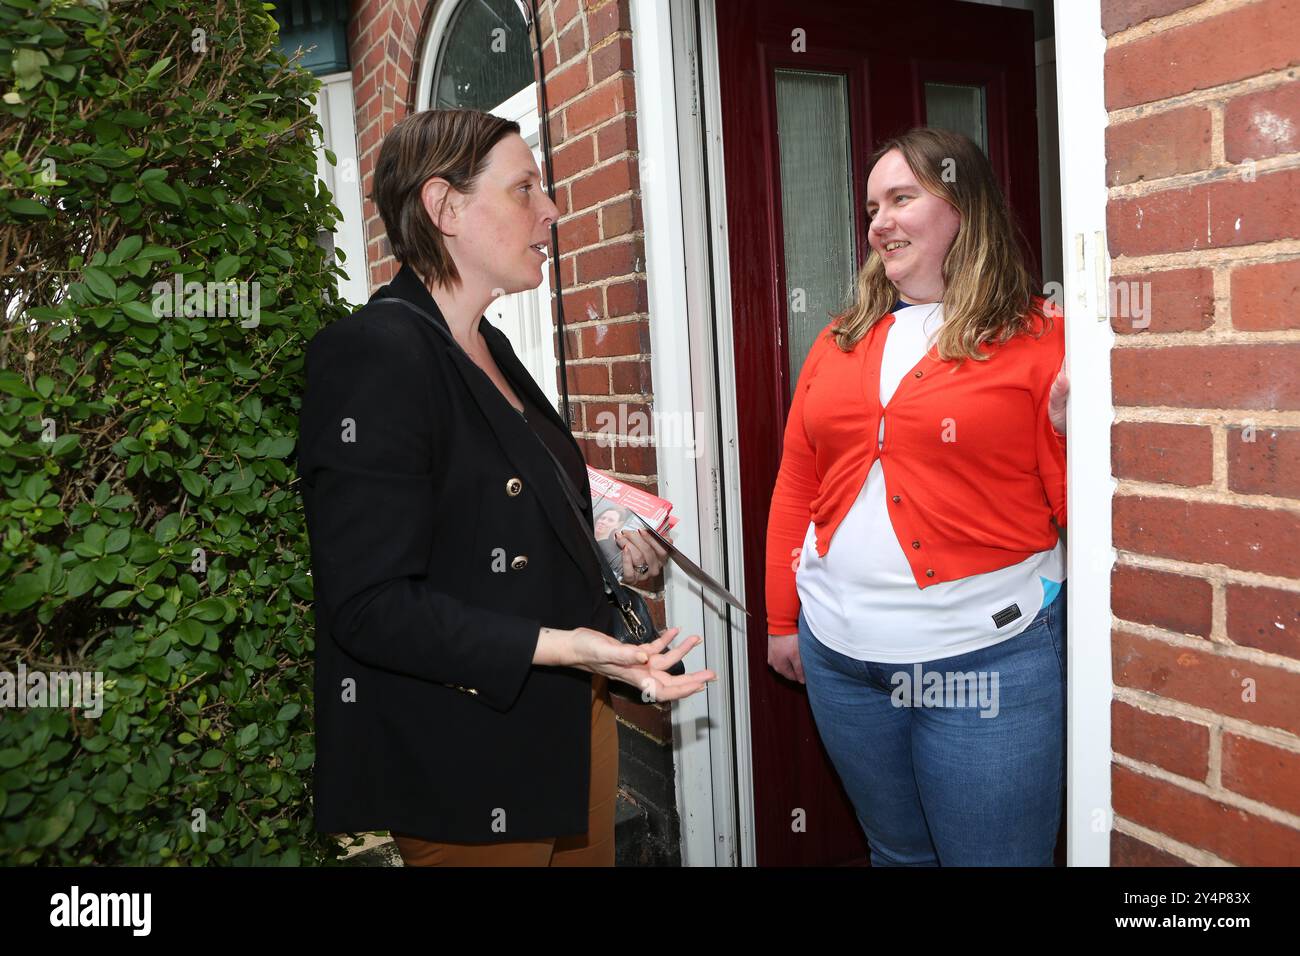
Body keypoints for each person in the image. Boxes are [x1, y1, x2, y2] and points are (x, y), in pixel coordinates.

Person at [296, 108, 715, 867]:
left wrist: (605, 557)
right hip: (467, 750)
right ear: (445, 208)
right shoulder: (373, 355)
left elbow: (488, 520)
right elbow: (369, 605)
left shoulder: (487, 342)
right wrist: (558, 646)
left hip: (571, 716)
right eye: (525, 188)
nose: (552, 209)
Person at [764, 127, 1070, 866]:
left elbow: (1082, 512)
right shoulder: (840, 340)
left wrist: (1072, 435)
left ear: (965, 207)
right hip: (841, 659)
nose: (879, 221)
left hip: (986, 661)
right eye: (872, 206)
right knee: (896, 854)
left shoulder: (1041, 340)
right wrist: (781, 618)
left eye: (902, 198)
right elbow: (798, 481)